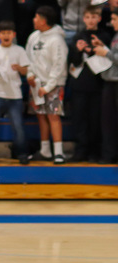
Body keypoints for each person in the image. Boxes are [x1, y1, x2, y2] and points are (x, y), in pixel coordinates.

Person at [0, 20, 30, 164]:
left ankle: (21, 154)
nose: (6, 35)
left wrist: (19, 68)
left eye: (9, 33)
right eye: (3, 33)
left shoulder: (19, 50)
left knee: (18, 126)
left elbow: (26, 70)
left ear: (13, 34)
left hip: (15, 95)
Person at [25, 5, 67, 163]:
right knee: (41, 116)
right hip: (36, 84)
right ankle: (45, 150)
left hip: (53, 85)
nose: (33, 20)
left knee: (53, 116)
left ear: (43, 21)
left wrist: (48, 87)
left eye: (36, 17)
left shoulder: (57, 39)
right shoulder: (33, 37)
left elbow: (59, 65)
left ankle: (58, 152)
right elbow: (27, 59)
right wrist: (30, 75)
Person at [66, 7, 108, 162]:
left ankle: (94, 151)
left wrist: (99, 48)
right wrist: (78, 51)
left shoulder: (104, 36)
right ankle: (80, 150)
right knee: (79, 119)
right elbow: (72, 61)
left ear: (99, 18)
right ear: (83, 18)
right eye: (88, 17)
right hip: (80, 85)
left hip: (98, 85)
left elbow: (108, 59)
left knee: (95, 120)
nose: (91, 20)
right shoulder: (78, 36)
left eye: (94, 17)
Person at [95, 11, 118, 163]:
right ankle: (110, 154)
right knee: (108, 121)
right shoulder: (115, 37)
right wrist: (104, 48)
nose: (112, 22)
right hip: (110, 82)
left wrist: (106, 53)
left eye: (115, 19)